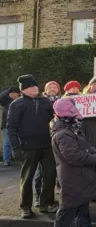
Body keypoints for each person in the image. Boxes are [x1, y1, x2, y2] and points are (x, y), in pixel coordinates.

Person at [7, 75, 57, 218]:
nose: (35, 88)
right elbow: (11, 127)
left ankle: (46, 203)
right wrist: (15, 148)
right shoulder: (16, 104)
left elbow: (54, 119)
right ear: (23, 89)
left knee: (49, 176)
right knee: (27, 178)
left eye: (35, 86)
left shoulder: (46, 102)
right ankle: (26, 207)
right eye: (31, 86)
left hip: (47, 146)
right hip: (27, 147)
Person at [51, 98, 96, 227]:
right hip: (73, 179)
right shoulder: (63, 134)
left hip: (79, 178)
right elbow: (74, 157)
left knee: (81, 210)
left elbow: (85, 146)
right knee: (67, 212)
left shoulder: (70, 130)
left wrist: (92, 151)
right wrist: (94, 158)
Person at [0, 87, 20, 167]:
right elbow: (1, 96)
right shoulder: (5, 101)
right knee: (6, 143)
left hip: (19, 125)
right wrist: (8, 90)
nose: (14, 94)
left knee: (20, 142)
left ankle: (20, 158)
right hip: (6, 125)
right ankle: (6, 160)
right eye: (12, 93)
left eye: (15, 93)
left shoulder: (20, 101)